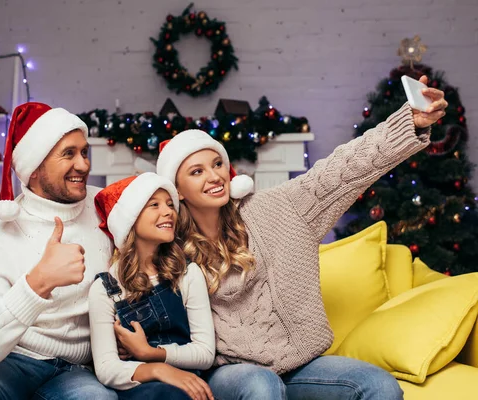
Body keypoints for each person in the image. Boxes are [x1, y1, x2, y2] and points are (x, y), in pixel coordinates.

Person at [150, 76, 448, 399]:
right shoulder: (169, 247)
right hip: (229, 375)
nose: (214, 176)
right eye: (197, 171)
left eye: (217, 164)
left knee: (378, 386)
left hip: (300, 367)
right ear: (177, 190)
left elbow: (341, 170)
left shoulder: (276, 209)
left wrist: (409, 123)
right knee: (262, 385)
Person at [0, 102, 117, 400]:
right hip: (10, 362)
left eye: (84, 152)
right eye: (68, 154)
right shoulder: (0, 239)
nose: (84, 165)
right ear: (34, 170)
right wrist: (39, 283)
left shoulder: (106, 207)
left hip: (77, 370)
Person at [89, 172, 215, 400]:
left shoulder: (187, 273)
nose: (168, 212)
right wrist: (159, 368)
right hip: (140, 388)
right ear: (130, 220)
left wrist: (148, 352)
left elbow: (205, 353)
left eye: (169, 205)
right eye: (153, 205)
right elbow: (107, 368)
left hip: (190, 383)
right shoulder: (106, 289)